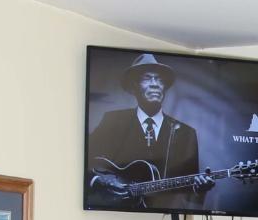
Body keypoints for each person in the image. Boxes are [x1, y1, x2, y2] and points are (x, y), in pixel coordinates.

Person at [86, 53, 209, 208]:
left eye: (160, 80)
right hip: (115, 213)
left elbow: (192, 196)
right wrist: (98, 180)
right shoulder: (113, 120)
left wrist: (200, 189)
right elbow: (85, 161)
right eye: (147, 78)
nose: (155, 84)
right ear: (134, 86)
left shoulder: (186, 133)